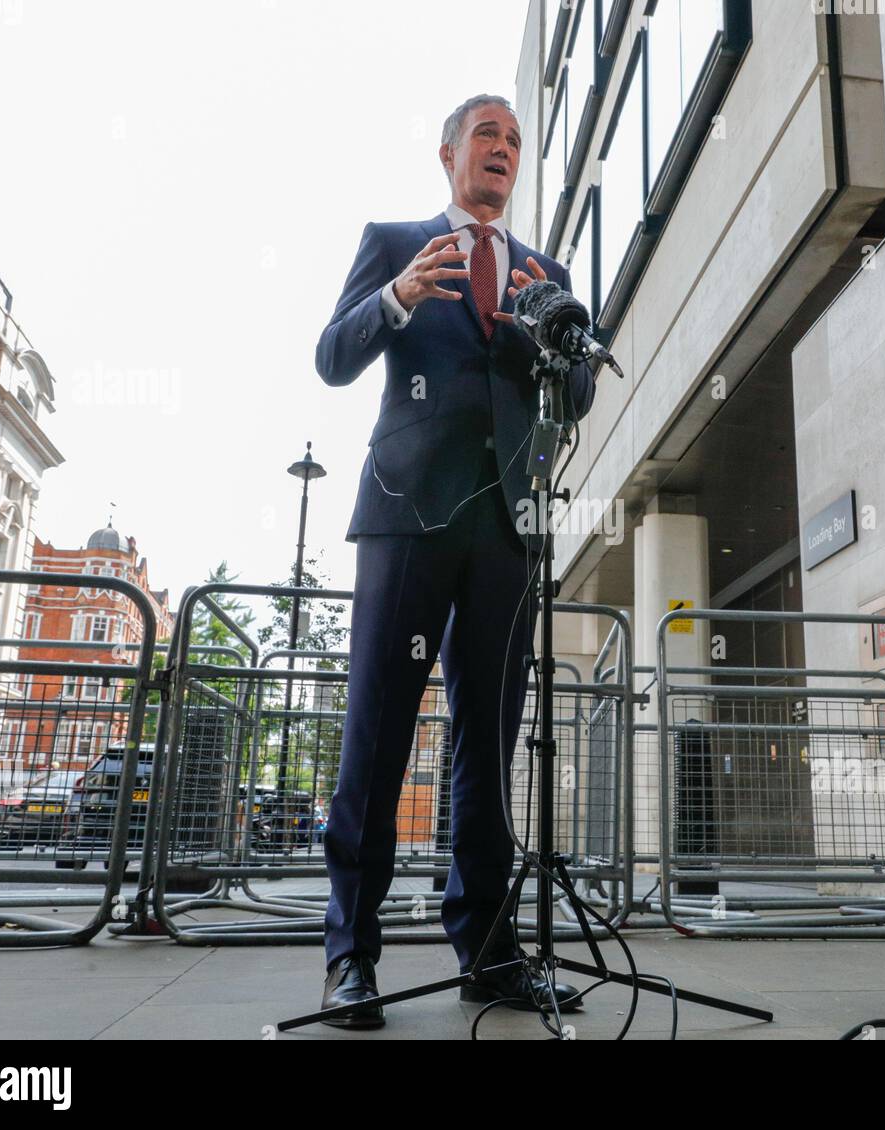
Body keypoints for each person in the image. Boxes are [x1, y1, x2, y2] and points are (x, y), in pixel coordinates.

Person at [314, 93, 596, 1028]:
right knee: (378, 735)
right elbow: (331, 358)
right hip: (406, 524)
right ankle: (351, 956)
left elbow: (580, 387)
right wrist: (396, 300)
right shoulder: (396, 242)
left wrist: (555, 335)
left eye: (515, 141)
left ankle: (489, 952)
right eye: (488, 136)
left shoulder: (543, 271)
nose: (503, 151)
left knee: (488, 745)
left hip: (506, 534)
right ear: (448, 155)